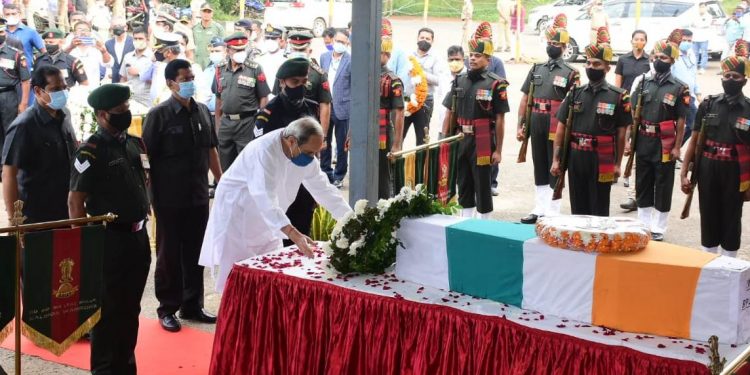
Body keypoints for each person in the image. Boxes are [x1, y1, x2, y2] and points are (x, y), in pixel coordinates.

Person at [199, 117, 353, 291]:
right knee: (238, 277)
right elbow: (264, 197)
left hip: (272, 217)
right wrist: (294, 233)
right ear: (292, 141)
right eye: (310, 152)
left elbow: (325, 190)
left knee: (269, 274)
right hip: (238, 213)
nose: (314, 158)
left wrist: (352, 220)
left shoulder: (304, 155)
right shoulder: (264, 150)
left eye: (317, 153)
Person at [68, 84, 151, 375]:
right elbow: (75, 202)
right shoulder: (90, 151)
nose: (126, 113)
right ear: (103, 115)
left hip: (138, 238)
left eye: (127, 107)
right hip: (109, 240)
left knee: (130, 310)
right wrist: (84, 247)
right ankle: (104, 370)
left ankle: (126, 367)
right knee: (107, 314)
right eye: (120, 111)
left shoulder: (135, 143)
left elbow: (144, 182)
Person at [142, 59, 222, 333]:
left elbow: (210, 148)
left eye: (191, 76)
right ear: (170, 83)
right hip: (168, 198)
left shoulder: (201, 111)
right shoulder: (159, 115)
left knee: (196, 252)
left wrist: (221, 180)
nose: (190, 82)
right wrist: (146, 196)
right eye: (185, 78)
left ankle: (192, 304)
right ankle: (167, 308)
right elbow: (146, 158)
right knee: (169, 254)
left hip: (198, 195)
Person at [550, 40, 631, 216]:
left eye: (596, 64)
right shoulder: (574, 93)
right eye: (588, 62)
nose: (590, 67)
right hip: (576, 156)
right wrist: (556, 159)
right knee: (578, 205)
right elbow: (561, 128)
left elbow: (621, 132)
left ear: (607, 68)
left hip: (601, 157)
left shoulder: (618, 96)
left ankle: (598, 241)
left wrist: (618, 164)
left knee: (599, 205)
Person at [680, 56, 750, 257]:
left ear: (744, 80)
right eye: (726, 75)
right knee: (708, 214)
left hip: (735, 170)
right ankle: (708, 259)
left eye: (735, 76)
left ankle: (730, 262)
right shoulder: (708, 105)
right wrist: (684, 172)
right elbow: (694, 140)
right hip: (708, 168)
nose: (730, 79)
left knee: (731, 216)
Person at [440, 23, 508, 219]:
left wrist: (498, 150)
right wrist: (446, 140)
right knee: (464, 183)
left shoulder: (496, 83)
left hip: (484, 140)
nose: (473, 59)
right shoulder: (459, 81)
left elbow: (500, 119)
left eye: (477, 56)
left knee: (483, 185)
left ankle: (484, 224)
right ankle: (465, 222)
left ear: (488, 59)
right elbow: (450, 113)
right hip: (461, 138)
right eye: (471, 55)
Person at [517, 16, 579, 223]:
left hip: (557, 124)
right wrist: (521, 124)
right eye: (550, 43)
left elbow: (574, 105)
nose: (552, 46)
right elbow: (526, 97)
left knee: (556, 164)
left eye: (556, 44)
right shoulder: (537, 69)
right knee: (539, 164)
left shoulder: (571, 72)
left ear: (564, 47)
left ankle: (553, 210)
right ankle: (539, 207)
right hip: (537, 122)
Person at [256, 58, 323, 243]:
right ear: (282, 82)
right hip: (279, 186)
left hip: (303, 184)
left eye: (304, 82)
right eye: (295, 82)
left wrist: (315, 191)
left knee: (302, 234)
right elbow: (261, 158)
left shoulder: (312, 107)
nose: (300, 86)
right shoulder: (268, 113)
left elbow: (315, 151)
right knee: (279, 241)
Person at [628, 39, 689, 242]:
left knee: (663, 183)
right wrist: (630, 140)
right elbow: (633, 114)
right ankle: (643, 223)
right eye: (656, 57)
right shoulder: (643, 82)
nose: (658, 60)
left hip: (665, 141)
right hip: (644, 138)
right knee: (643, 181)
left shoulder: (680, 88)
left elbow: (681, 121)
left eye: (664, 58)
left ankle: (659, 226)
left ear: (672, 60)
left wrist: (678, 147)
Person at [2, 65, 75, 223]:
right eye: (55, 89)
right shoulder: (24, 125)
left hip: (65, 208)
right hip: (35, 213)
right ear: (38, 91)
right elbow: (9, 174)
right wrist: (15, 218)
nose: (62, 93)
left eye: (64, 87)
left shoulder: (65, 115)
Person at [213, 32, 270, 170]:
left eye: (242, 49)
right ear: (228, 50)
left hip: (247, 123)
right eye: (236, 50)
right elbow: (218, 97)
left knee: (247, 165)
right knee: (225, 166)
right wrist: (218, 125)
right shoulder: (220, 69)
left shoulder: (254, 69)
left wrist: (259, 122)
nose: (240, 52)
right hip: (226, 123)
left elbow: (264, 96)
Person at [271, 30, 331, 135]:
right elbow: (276, 99)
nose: (298, 53)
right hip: (285, 127)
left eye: (302, 49)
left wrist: (323, 135)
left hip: (308, 128)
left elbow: (324, 105)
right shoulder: (283, 71)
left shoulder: (319, 74)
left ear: (309, 50)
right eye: (295, 49)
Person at [319, 30, 352, 187]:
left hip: (342, 108)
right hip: (326, 106)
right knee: (324, 138)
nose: (339, 44)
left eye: (343, 42)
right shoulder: (324, 57)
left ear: (347, 44)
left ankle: (339, 175)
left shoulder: (351, 61)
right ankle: (325, 172)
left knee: (341, 144)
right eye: (337, 40)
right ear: (333, 41)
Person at [378, 29, 405, 198]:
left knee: (382, 174)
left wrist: (397, 144)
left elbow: (399, 113)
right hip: (365, 131)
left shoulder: (392, 80)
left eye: (380, 52)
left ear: (387, 55)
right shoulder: (364, 75)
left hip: (383, 132)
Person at [404, 27, 441, 147]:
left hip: (425, 103)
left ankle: (419, 166)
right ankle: (395, 165)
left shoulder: (435, 59)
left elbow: (438, 80)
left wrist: (421, 72)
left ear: (432, 41)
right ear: (417, 38)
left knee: (422, 140)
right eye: (422, 37)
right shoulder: (408, 56)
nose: (424, 40)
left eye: (428, 39)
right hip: (407, 102)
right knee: (399, 136)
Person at [0, 21, 30, 149]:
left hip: (8, 96)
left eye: (1, 32)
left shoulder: (16, 54)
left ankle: (8, 164)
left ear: (5, 33)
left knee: (9, 129)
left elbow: (26, 80)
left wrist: (23, 104)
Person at [672, 29, 701, 146]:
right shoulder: (673, 55)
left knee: (694, 124)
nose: (687, 43)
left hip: (691, 96)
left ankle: (674, 148)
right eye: (684, 40)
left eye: (690, 41)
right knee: (694, 124)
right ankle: (674, 148)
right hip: (679, 95)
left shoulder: (691, 54)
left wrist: (698, 93)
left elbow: (693, 76)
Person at [66, 20, 112, 89]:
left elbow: (109, 64)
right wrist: (70, 47)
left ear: (90, 33)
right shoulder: (69, 47)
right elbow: (60, 59)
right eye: (80, 30)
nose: (83, 32)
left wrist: (104, 52)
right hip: (74, 90)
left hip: (93, 88)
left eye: (86, 30)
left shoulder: (96, 48)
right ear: (74, 33)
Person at [3, 4, 44, 74]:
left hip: (25, 73)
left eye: (13, 14)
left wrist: (38, 68)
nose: (10, 16)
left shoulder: (30, 32)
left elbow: (44, 52)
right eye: (7, 14)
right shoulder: (1, 32)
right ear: (3, 15)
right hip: (4, 75)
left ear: (19, 14)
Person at [119, 27, 152, 106]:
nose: (137, 41)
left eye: (140, 38)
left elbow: (156, 82)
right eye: (135, 38)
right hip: (129, 100)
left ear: (147, 40)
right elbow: (123, 78)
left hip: (146, 100)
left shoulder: (153, 58)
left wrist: (139, 73)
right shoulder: (127, 57)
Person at [148, 32, 182, 104]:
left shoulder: (190, 67)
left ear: (169, 52)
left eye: (159, 50)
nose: (156, 53)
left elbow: (202, 95)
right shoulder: (162, 66)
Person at [192, 2, 224, 69]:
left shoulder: (218, 28)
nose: (206, 14)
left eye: (209, 11)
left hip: (212, 63)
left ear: (212, 13)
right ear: (200, 12)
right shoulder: (194, 28)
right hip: (197, 63)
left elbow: (223, 47)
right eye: (204, 11)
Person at [256, 24, 286, 95]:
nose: (270, 41)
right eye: (267, 38)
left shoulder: (286, 61)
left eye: (273, 38)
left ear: (281, 40)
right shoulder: (258, 60)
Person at [196, 36, 224, 111]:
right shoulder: (207, 71)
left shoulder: (230, 70)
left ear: (226, 52)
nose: (214, 53)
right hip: (209, 114)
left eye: (217, 51)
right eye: (212, 51)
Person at [105, 17, 134, 84]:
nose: (118, 28)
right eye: (115, 26)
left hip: (129, 80)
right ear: (111, 28)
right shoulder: (108, 44)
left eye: (120, 25)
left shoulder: (133, 42)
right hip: (113, 80)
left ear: (126, 27)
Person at [691, 3, 711, 75]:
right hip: (695, 38)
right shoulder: (695, 15)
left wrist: (698, 26)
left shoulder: (709, 16)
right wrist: (697, 26)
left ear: (706, 7)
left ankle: (702, 68)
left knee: (704, 54)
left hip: (704, 38)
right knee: (694, 54)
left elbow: (706, 25)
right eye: (700, 7)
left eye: (703, 7)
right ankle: (694, 68)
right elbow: (692, 24)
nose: (701, 8)